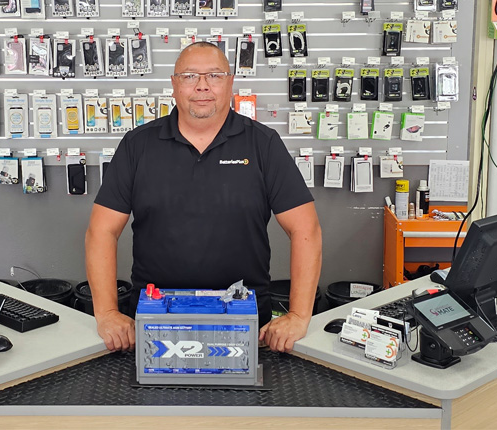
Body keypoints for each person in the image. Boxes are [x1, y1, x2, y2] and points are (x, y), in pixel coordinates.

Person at [85, 41, 322, 353]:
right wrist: (107, 314)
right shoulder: (137, 145)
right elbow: (101, 231)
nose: (202, 87)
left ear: (230, 82)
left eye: (214, 76)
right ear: (173, 84)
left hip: (244, 320)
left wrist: (299, 315)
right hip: (155, 319)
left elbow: (307, 229)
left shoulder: (263, 144)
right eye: (189, 77)